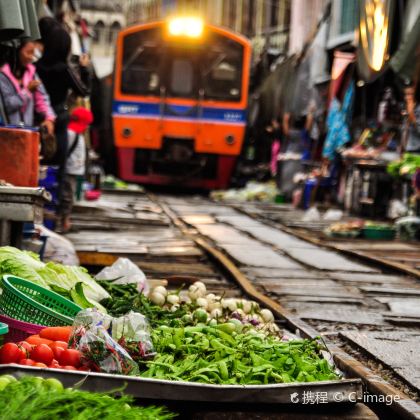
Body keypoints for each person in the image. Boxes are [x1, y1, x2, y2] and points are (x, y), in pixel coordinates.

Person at [35, 24, 91, 230]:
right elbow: (84, 91)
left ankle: (35, 215)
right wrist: (85, 69)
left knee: (37, 167)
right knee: (59, 169)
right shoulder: (65, 69)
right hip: (59, 120)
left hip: (38, 119)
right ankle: (54, 218)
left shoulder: (37, 67)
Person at [0, 40, 55, 130]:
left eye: (33, 53)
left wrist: (49, 118)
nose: (31, 57)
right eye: (28, 52)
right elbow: (7, 106)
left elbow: (42, 98)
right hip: (8, 133)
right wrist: (27, 91)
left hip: (28, 131)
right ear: (17, 51)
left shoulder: (32, 73)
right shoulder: (3, 76)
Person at [60, 107, 93, 233]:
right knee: (67, 197)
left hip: (74, 170)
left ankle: (66, 221)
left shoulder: (76, 134)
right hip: (69, 170)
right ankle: (64, 223)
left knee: (69, 196)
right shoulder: (71, 133)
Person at [404, 83, 420, 154]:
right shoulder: (406, 110)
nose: (408, 97)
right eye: (406, 94)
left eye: (411, 94)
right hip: (408, 149)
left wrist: (411, 114)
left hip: (417, 151)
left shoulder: (418, 109)